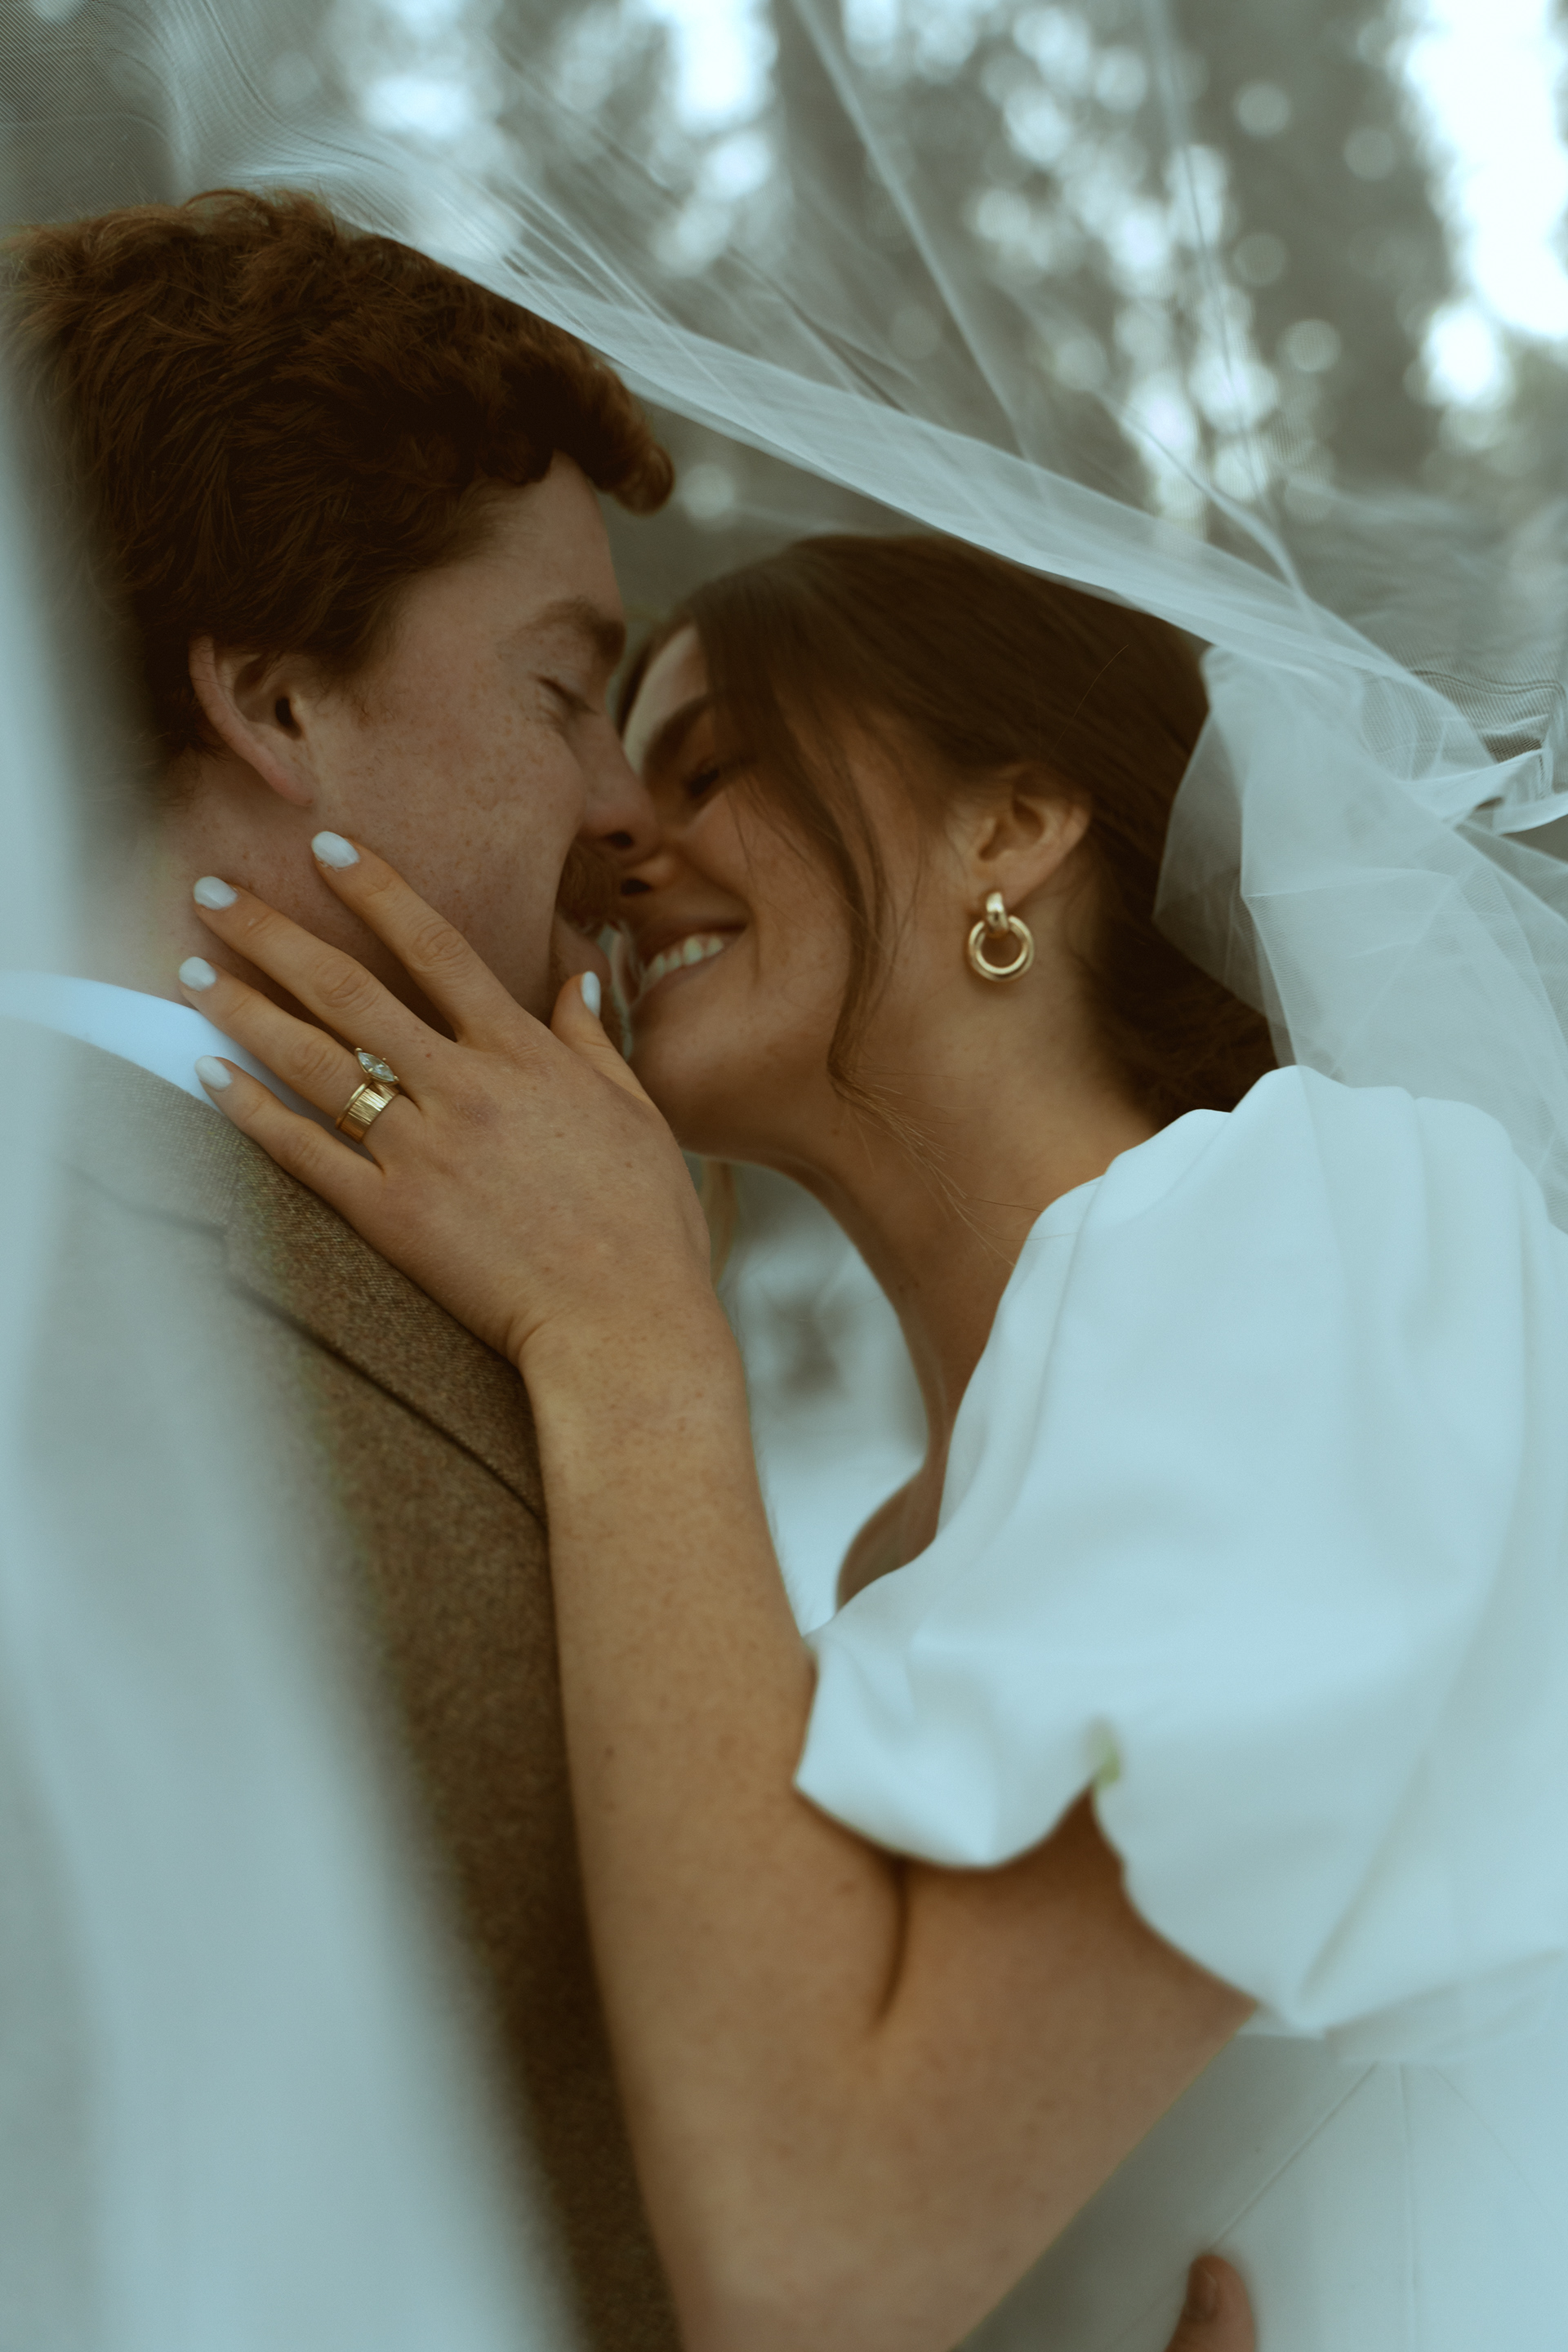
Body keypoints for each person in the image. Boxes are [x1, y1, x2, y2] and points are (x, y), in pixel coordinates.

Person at [173, 528, 1568, 2350]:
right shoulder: (898, 1547)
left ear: (1012, 828)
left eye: (714, 763)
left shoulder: (1318, 1218)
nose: (619, 830)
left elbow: (818, 2254)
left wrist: (625, 1334)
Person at [0, 186, 682, 2350]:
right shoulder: (45, 1287)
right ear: (278, 697)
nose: (628, 806)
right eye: (565, 691)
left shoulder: (492, 1221)